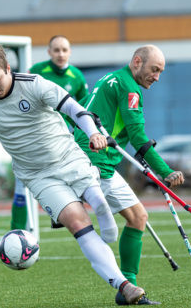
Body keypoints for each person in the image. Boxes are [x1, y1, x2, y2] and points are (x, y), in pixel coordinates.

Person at [0, 41, 146, 304]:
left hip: (68, 157)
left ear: (8, 68)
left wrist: (94, 133)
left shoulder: (34, 84)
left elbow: (76, 110)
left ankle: (100, 206)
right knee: (77, 223)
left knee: (95, 198)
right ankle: (123, 285)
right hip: (38, 176)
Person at [74, 45, 185, 305]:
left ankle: (128, 288)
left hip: (95, 160)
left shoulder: (111, 78)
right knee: (102, 223)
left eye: (161, 72)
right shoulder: (130, 88)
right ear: (137, 61)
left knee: (138, 217)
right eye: (154, 69)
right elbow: (137, 136)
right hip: (96, 163)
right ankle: (126, 284)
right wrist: (166, 171)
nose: (157, 77)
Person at [11, 35, 89, 230]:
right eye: (56, 50)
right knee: (22, 186)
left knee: (68, 178)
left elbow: (81, 108)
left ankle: (58, 214)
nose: (60, 54)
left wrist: (85, 132)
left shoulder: (76, 76)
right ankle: (16, 230)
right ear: (49, 52)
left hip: (61, 141)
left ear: (70, 52)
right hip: (33, 138)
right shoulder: (37, 71)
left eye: (64, 50)